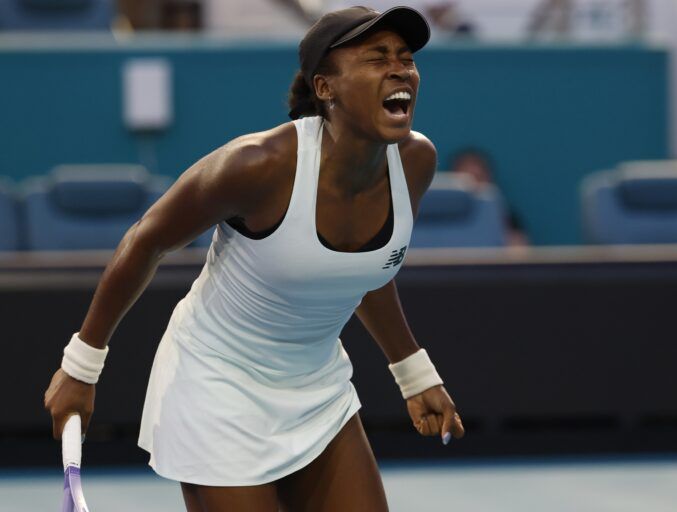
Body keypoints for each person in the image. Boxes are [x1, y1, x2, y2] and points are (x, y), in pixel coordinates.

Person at [43, 5, 465, 511]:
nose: (400, 69)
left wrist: (414, 373)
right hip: (216, 386)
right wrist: (82, 367)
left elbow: (361, 272)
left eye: (406, 58)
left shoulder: (416, 161)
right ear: (325, 88)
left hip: (317, 388)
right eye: (377, 57)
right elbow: (145, 240)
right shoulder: (256, 166)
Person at [450, 148, 529, 246]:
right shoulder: (442, 217)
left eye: (478, 178)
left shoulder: (506, 216)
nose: (474, 186)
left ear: (489, 178)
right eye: (466, 181)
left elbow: (519, 254)